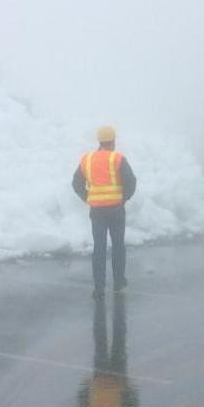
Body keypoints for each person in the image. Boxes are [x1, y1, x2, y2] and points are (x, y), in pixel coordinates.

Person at [72, 126, 137, 298]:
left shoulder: (87, 159)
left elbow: (76, 183)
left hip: (97, 211)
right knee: (118, 246)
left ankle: (99, 288)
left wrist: (88, 197)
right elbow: (131, 182)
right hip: (116, 210)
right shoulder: (118, 158)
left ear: (99, 141)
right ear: (113, 141)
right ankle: (118, 283)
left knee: (99, 248)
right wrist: (123, 198)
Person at [76, 294, 139, 407]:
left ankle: (106, 307)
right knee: (114, 340)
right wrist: (127, 387)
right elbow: (131, 403)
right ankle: (113, 308)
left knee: (106, 341)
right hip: (115, 377)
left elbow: (83, 403)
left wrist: (87, 386)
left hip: (103, 376)